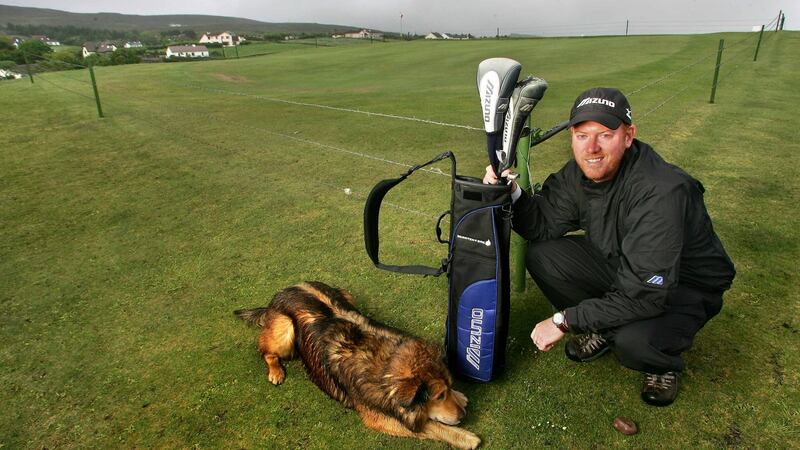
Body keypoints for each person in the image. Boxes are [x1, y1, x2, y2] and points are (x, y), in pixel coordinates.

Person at [483, 87, 735, 406]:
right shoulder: (580, 172)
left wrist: (565, 320)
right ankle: (604, 325)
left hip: (684, 286)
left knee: (632, 342)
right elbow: (540, 224)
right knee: (543, 256)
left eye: (605, 134)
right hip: (624, 263)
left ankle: (661, 362)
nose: (592, 148)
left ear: (628, 136)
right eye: (581, 135)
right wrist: (513, 193)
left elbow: (647, 294)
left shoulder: (661, 193)